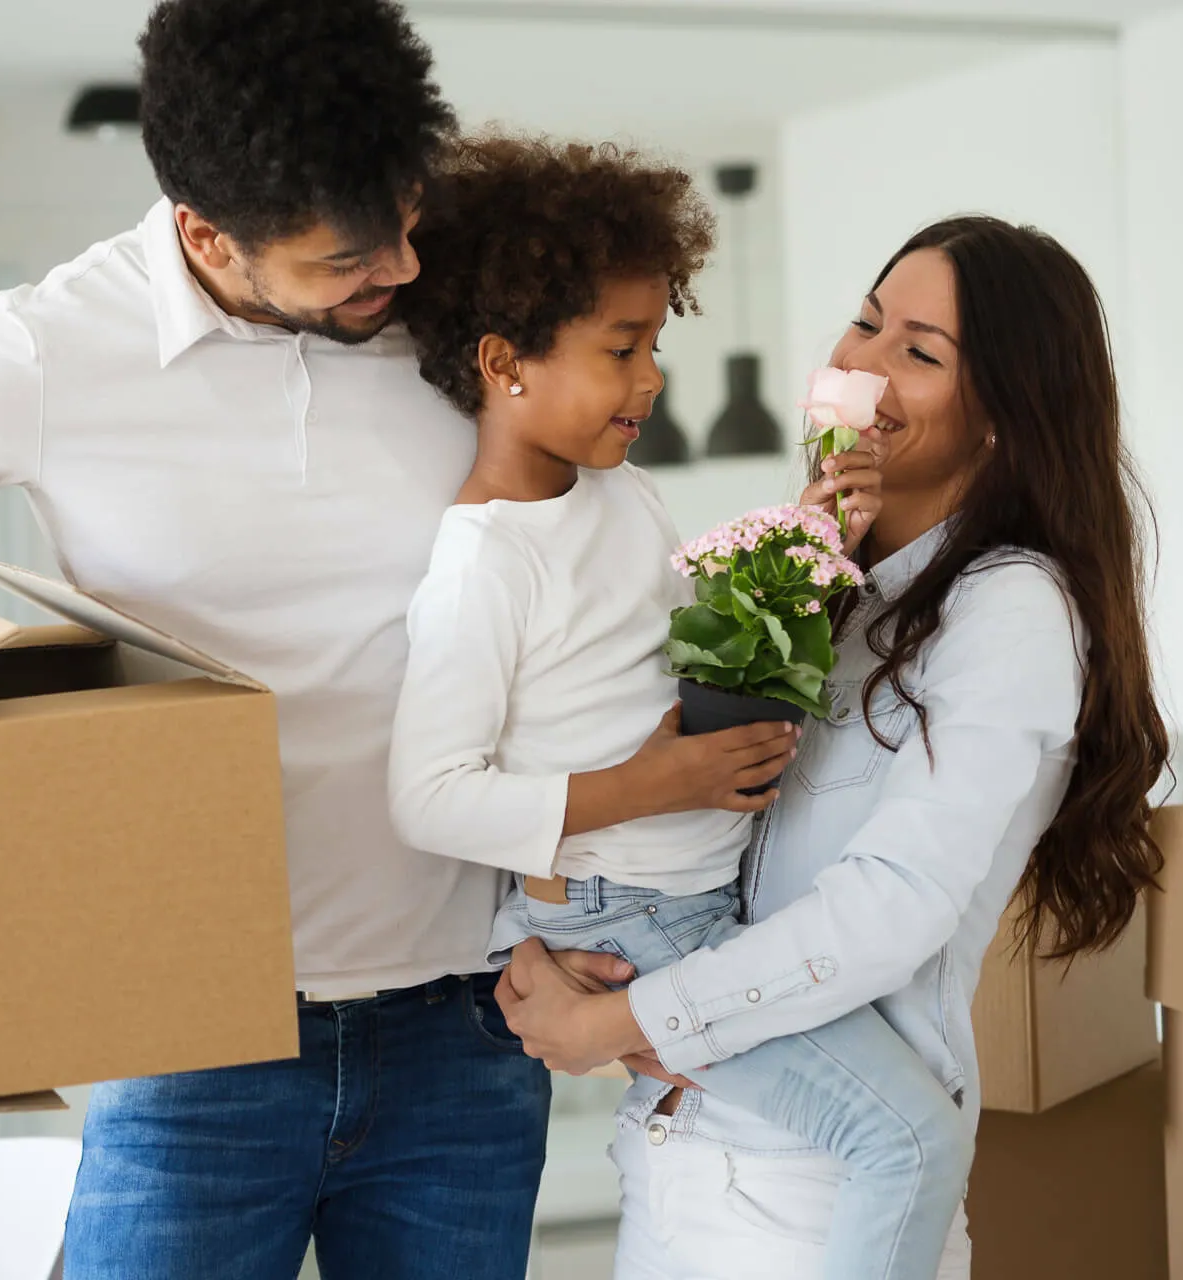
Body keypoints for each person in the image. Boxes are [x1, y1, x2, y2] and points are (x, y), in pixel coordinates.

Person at [0, 2, 615, 1276]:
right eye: (346, 262)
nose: (403, 275)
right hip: (190, 1041)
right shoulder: (41, 355)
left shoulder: (462, 310)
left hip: (468, 1022)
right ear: (208, 234)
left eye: (407, 219)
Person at [495, 215, 1171, 1278]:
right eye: (862, 323)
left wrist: (627, 1013)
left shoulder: (1008, 611)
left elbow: (887, 909)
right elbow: (658, 810)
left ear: (1005, 414)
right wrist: (543, 954)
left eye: (918, 351)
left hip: (815, 1198)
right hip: (678, 1157)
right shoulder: (815, 584)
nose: (859, 364)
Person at [388, 135, 963, 1280]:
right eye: (621, 347)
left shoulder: (619, 492)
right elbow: (427, 797)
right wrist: (655, 785)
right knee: (901, 1134)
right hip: (632, 916)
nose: (650, 378)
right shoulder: (483, 560)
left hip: (689, 901)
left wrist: (808, 537)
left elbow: (674, 655)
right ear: (504, 362)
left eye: (653, 342)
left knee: (874, 1126)